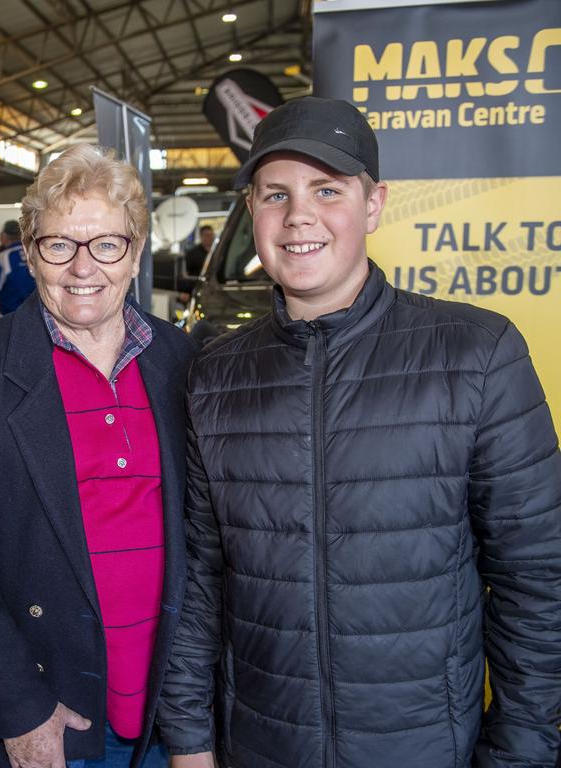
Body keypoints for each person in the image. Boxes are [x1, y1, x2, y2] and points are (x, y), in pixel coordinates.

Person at [157, 97, 561, 767]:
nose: (299, 217)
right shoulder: (216, 375)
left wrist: (520, 751)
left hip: (423, 746)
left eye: (327, 189)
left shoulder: (476, 353)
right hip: (260, 743)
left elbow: (537, 584)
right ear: (252, 212)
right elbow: (202, 578)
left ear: (374, 205)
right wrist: (191, 740)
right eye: (275, 194)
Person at [0, 144, 199, 768]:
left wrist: (197, 713)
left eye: (106, 244)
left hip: (166, 710)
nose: (82, 267)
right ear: (27, 250)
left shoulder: (185, 365)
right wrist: (20, 711)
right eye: (58, 244)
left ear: (135, 252)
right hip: (44, 714)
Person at [0, 219, 36, 317]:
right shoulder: (35, 253)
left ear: (3, 236)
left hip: (11, 317)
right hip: (37, 316)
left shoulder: (1, 258)